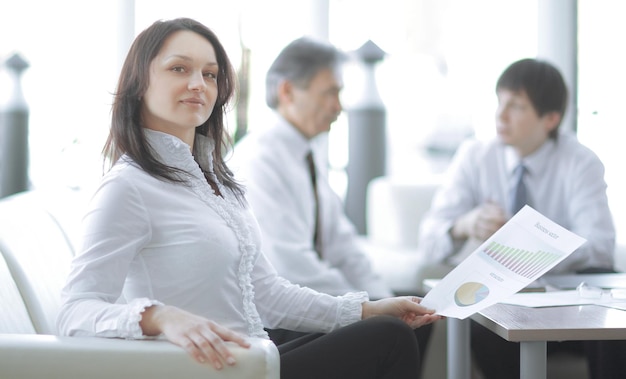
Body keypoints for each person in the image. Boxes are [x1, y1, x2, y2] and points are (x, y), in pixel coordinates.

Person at [55, 18, 442, 379]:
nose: (198, 84)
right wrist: (160, 316)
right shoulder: (128, 187)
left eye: (209, 74)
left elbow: (267, 292)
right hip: (212, 368)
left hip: (254, 352)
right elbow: (74, 312)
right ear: (139, 82)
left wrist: (365, 309)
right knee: (389, 338)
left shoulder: (216, 181)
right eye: (179, 69)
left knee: (391, 325)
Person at [416, 58, 625, 378]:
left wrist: (535, 252)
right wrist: (465, 225)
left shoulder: (580, 162)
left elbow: (599, 247)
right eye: (499, 102)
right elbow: (428, 241)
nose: (500, 115)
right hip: (503, 297)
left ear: (550, 118)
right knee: (481, 329)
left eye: (516, 106)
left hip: (565, 302)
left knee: (607, 305)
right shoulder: (475, 157)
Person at [228, 36, 433, 362]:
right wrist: (365, 308)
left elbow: (343, 245)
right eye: (330, 93)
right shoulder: (259, 161)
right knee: (391, 331)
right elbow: (293, 268)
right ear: (287, 92)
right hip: (275, 320)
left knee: (420, 309)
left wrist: (381, 297)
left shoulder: (307, 154)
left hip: (310, 301)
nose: (338, 106)